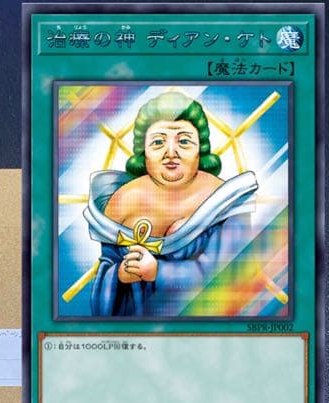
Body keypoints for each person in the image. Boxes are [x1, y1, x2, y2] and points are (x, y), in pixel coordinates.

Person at [83, 91, 258, 316]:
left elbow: (231, 280)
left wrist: (159, 271)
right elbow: (107, 271)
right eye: (158, 142)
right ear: (143, 151)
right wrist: (119, 275)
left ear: (200, 149)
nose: (171, 153)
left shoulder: (228, 202)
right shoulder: (120, 202)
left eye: (184, 141)